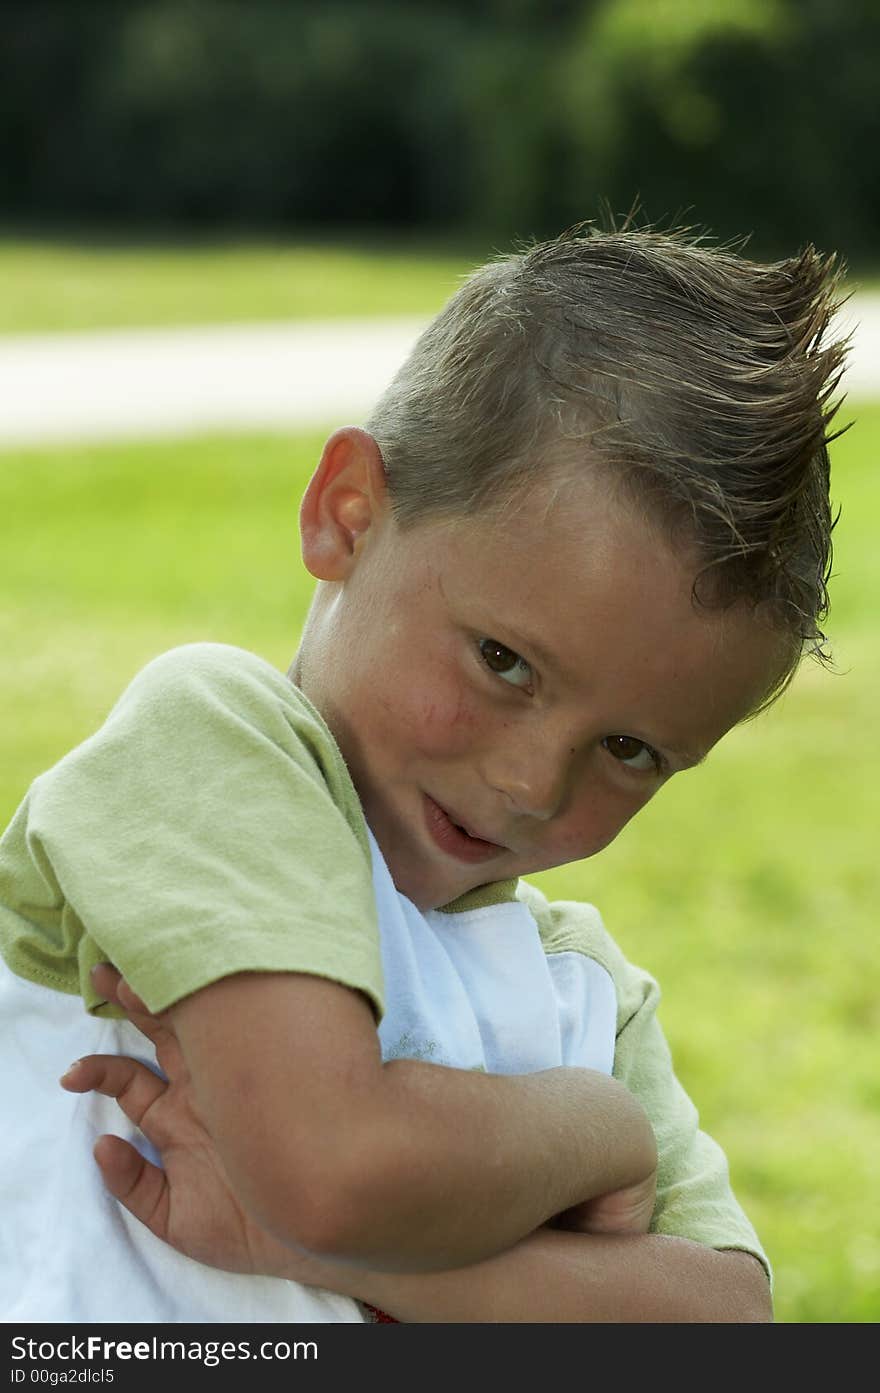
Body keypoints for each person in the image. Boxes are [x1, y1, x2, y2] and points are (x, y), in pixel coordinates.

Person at [0, 225, 847, 1323]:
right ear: (347, 511)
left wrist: (350, 1262)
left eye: (631, 751)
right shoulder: (207, 744)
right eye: (504, 662)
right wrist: (599, 1130)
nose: (535, 783)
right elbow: (335, 1170)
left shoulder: (582, 988)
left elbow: (723, 1319)